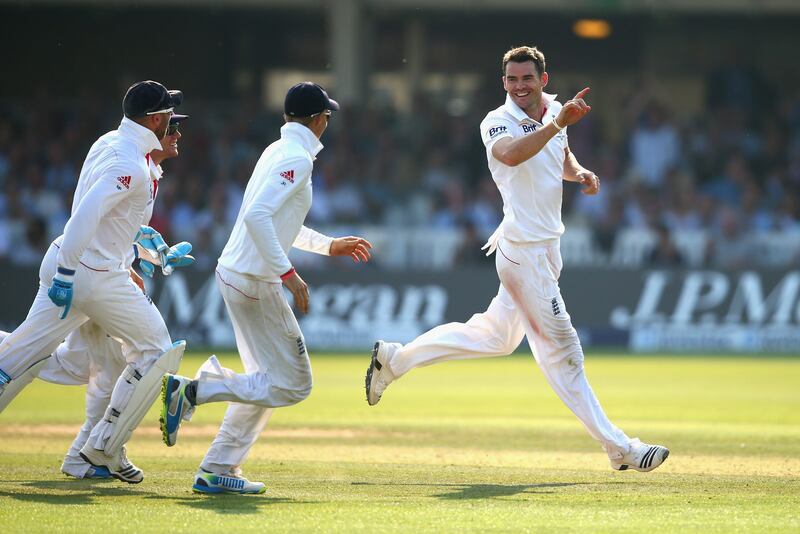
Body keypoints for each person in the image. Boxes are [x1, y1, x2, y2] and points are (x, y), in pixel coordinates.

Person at [364, 46, 669, 473]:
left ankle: (396, 360)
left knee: (495, 338)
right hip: (521, 251)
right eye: (512, 79)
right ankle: (621, 448)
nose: (519, 86)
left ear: (544, 79)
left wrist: (578, 173)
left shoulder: (556, 110)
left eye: (527, 78)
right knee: (563, 351)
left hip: (547, 248)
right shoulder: (497, 121)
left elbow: (558, 155)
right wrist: (556, 123)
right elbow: (512, 154)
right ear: (503, 82)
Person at [159, 82, 373, 494]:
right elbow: (258, 217)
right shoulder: (296, 157)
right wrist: (288, 275)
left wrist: (328, 245)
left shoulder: (278, 151)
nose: (327, 122)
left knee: (265, 381)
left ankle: (217, 467)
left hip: (240, 274)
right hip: (254, 280)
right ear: (318, 120)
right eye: (326, 116)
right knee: (293, 384)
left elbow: (275, 222)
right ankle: (194, 391)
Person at [0, 81, 189, 483]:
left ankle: (86, 456)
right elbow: (86, 215)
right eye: (172, 121)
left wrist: (144, 254)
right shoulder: (130, 165)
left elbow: (113, 221)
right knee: (155, 349)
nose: (177, 130)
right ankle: (102, 448)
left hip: (84, 265)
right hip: (90, 275)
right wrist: (70, 273)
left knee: (57, 359)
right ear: (155, 119)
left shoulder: (115, 144)